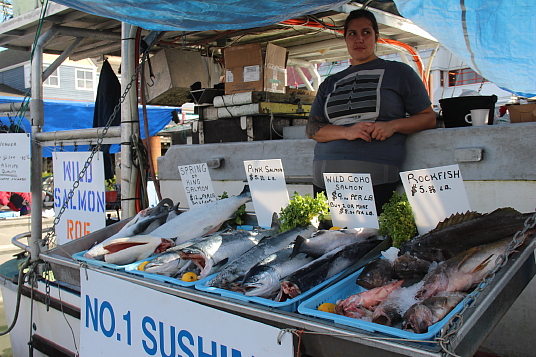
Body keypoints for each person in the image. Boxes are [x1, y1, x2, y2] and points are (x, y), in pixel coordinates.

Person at [306, 9, 436, 214]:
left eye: (366, 32)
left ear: (376, 37)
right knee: (325, 240)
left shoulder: (400, 72)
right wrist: (347, 132)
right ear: (345, 38)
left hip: (375, 178)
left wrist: (393, 125)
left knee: (370, 242)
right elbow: (313, 129)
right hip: (323, 180)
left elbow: (428, 118)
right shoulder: (329, 83)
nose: (359, 39)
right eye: (352, 33)